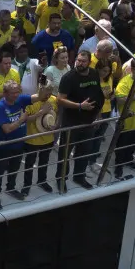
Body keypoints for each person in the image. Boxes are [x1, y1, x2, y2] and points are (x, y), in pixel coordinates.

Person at [57, 49, 103, 190]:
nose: (79, 63)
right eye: (78, 60)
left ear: (89, 62)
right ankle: (61, 179)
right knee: (65, 153)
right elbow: (60, 100)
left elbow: (98, 94)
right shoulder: (68, 78)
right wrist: (79, 106)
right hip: (71, 123)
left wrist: (98, 114)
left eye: (83, 61)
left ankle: (79, 177)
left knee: (84, 151)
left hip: (89, 122)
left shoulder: (94, 74)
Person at [0, 81, 33, 205]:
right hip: (4, 145)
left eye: (17, 92)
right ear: (5, 93)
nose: (16, 95)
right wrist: (21, 119)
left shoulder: (21, 99)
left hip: (19, 143)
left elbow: (38, 97)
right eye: (13, 93)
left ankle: (11, 188)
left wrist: (45, 87)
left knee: (15, 168)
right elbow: (7, 129)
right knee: (0, 170)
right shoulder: (0, 107)